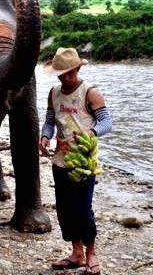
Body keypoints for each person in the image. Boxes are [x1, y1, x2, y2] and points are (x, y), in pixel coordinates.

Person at [39, 47, 112, 275]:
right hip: (61, 161)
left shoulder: (90, 93)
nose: (66, 78)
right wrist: (44, 136)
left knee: (83, 210)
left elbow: (107, 123)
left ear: (78, 69)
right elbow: (50, 121)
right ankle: (76, 254)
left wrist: (91, 133)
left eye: (70, 73)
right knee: (65, 209)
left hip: (83, 160)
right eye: (61, 74)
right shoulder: (54, 93)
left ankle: (91, 255)